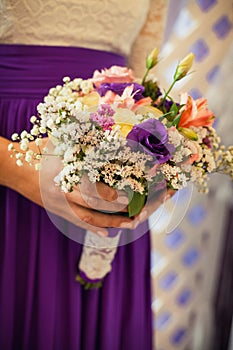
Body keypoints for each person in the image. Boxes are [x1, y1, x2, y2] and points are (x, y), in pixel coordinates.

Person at [0, 1, 171, 349]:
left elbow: (143, 72)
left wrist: (160, 170)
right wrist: (18, 171)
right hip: (13, 156)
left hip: (110, 170)